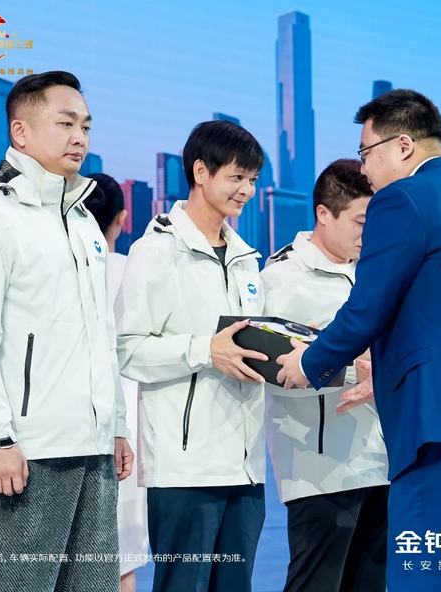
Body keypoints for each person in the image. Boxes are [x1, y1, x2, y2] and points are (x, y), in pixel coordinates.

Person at [276, 89, 441, 592]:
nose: (364, 169)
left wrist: (309, 363)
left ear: (402, 146)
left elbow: (368, 307)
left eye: (366, 153)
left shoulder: (402, 198)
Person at [0, 71, 132, 592]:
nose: (80, 137)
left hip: (92, 447)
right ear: (21, 132)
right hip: (28, 450)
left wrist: (115, 424)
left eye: (86, 126)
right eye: (66, 123)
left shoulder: (83, 222)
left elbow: (101, 335)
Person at [115, 120, 267, 592]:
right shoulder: (156, 251)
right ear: (201, 172)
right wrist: (204, 349)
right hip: (185, 469)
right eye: (236, 177)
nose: (247, 190)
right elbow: (127, 349)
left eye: (253, 179)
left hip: (246, 466)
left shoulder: (246, 259)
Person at [262, 158, 388, 592]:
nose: (368, 233)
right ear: (323, 213)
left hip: (380, 460)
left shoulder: (372, 273)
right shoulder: (281, 279)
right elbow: (273, 369)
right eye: (360, 221)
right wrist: (351, 367)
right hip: (319, 467)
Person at [83, 172, 149, 592]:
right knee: (123, 559)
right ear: (122, 219)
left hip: (74, 426)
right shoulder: (132, 270)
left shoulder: (63, 271)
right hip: (130, 426)